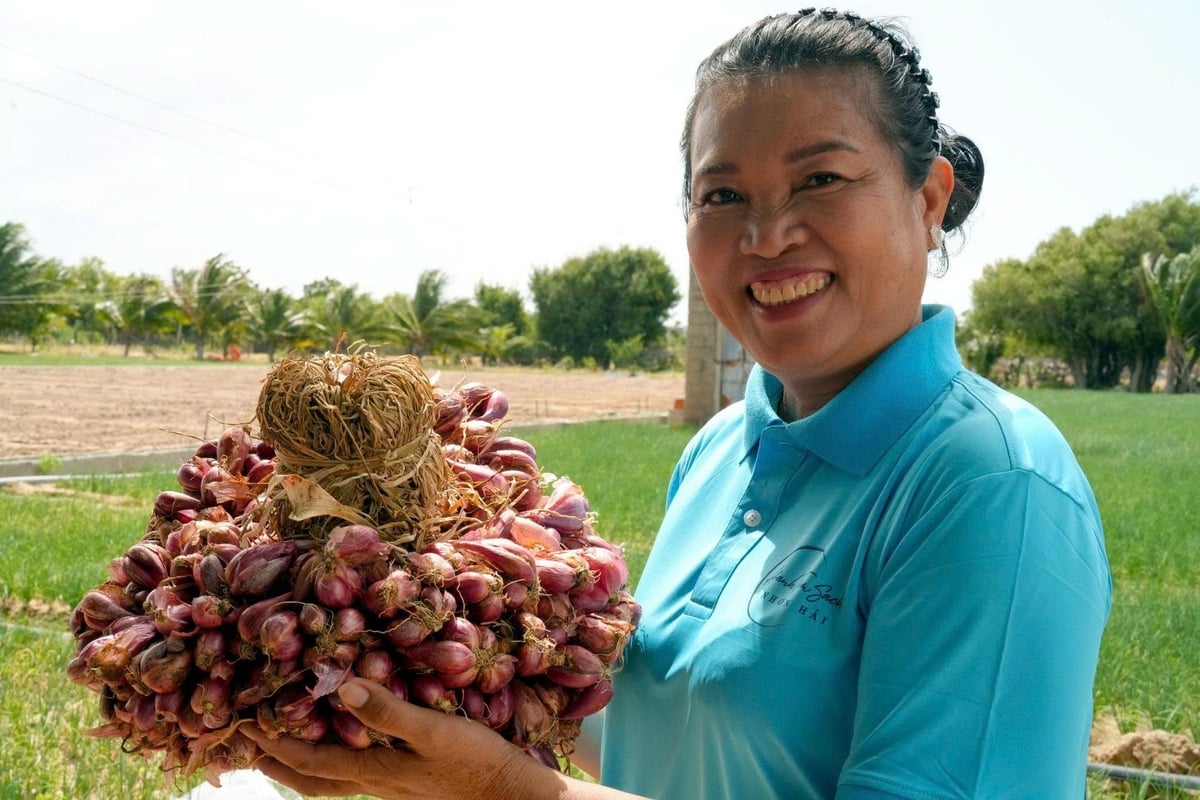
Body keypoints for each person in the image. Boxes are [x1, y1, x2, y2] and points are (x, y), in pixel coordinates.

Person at [243, 9, 1112, 799]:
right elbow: (664, 743)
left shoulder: (990, 482)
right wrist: (388, 705)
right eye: (722, 195)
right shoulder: (724, 449)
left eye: (821, 180)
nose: (766, 235)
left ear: (930, 197)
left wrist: (508, 792)